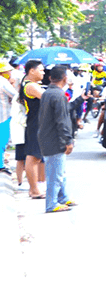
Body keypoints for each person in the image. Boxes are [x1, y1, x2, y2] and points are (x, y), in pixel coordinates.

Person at [38, 65, 75, 213]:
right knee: (55, 173)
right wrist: (68, 140)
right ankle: (51, 204)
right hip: (55, 139)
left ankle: (62, 197)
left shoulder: (48, 93)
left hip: (46, 136)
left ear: (50, 78)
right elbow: (62, 121)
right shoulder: (59, 95)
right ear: (65, 79)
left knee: (59, 170)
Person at [19, 59, 46, 199]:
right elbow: (47, 98)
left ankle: (34, 188)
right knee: (33, 157)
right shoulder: (31, 86)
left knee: (35, 157)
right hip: (35, 123)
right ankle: (34, 190)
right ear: (32, 71)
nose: (43, 72)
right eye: (41, 70)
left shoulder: (34, 85)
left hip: (37, 122)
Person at [0, 61, 17, 173]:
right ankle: (1, 165)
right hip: (3, 116)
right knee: (2, 140)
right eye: (8, 70)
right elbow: (15, 96)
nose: (10, 72)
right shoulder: (3, 82)